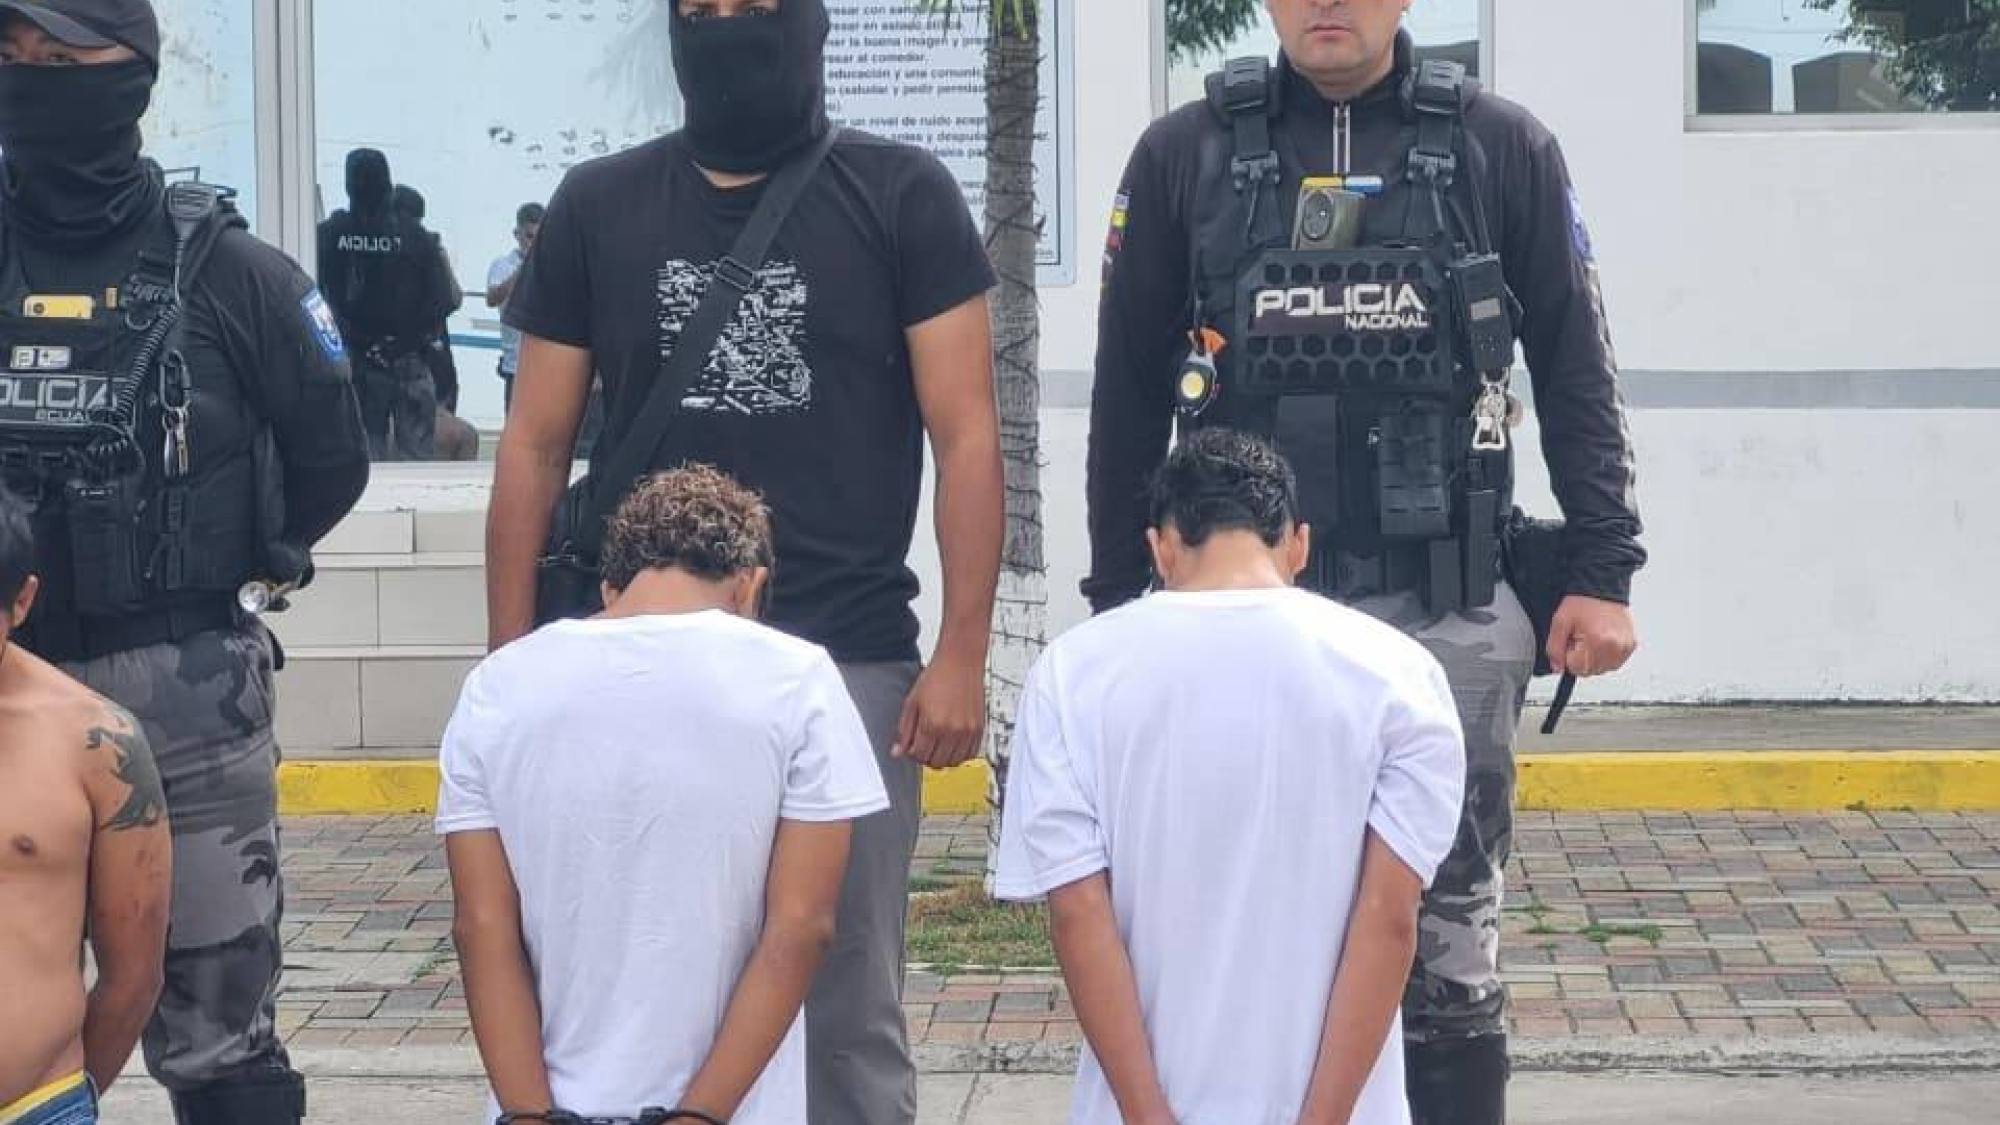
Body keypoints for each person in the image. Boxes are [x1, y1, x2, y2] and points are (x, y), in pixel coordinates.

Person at [1085, 2, 1647, 1121]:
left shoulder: (1501, 147)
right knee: (1239, 931)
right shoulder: (1183, 155)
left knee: (1447, 945)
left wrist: (1602, 568)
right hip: (1232, 627)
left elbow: (1574, 361)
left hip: (1442, 607)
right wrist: (1116, 595)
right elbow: (1127, 389)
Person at [486, 2, 1004, 1122]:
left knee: (844, 994)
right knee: (629, 976)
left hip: (847, 654)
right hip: (632, 665)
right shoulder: (597, 204)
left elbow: (966, 435)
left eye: (756, 6)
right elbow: (532, 445)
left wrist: (962, 651)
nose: (727, 27)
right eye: (702, 9)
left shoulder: (903, 194)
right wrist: (510, 656)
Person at [0, 3, 371, 1121]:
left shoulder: (237, 273)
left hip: (183, 692)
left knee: (222, 1043)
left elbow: (331, 461)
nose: (32, 76)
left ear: (133, 74)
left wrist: (218, 571)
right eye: (13, 56)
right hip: (6, 683)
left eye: (62, 57)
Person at [996, 430, 1465, 1125]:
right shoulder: (1400, 674)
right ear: (1298, 545)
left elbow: (1078, 914)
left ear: (1161, 548)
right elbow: (1390, 920)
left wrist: (1147, 1114)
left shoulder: (1071, 674)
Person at [442, 465, 888, 1124]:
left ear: (611, 587)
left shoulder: (497, 686)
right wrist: (697, 1116)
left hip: (544, 1104)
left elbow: (480, 928)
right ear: (750, 585)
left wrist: (530, 1113)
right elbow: (802, 926)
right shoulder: (799, 679)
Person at [0, 497, 172, 1125]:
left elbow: (134, 976)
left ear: (23, 601)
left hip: (38, 1103)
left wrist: (67, 1091)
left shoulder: (97, 742)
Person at [318, 148, 453, 460]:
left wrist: (353, 339)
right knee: (415, 462)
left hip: (356, 358)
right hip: (404, 356)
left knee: (363, 459)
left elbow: (312, 296)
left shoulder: (330, 234)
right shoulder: (415, 236)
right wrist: (402, 343)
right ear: (389, 187)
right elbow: (443, 300)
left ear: (348, 187)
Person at [392, 183, 465, 415]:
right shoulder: (426, 247)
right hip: (428, 352)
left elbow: (454, 299)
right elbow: (453, 300)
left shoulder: (423, 249)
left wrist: (442, 259)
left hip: (423, 354)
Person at [486, 201, 542, 413]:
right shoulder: (502, 265)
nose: (534, 244)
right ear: (517, 234)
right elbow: (492, 299)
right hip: (515, 366)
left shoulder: (554, 266)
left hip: (547, 367)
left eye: (539, 238)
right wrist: (521, 273)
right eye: (529, 237)